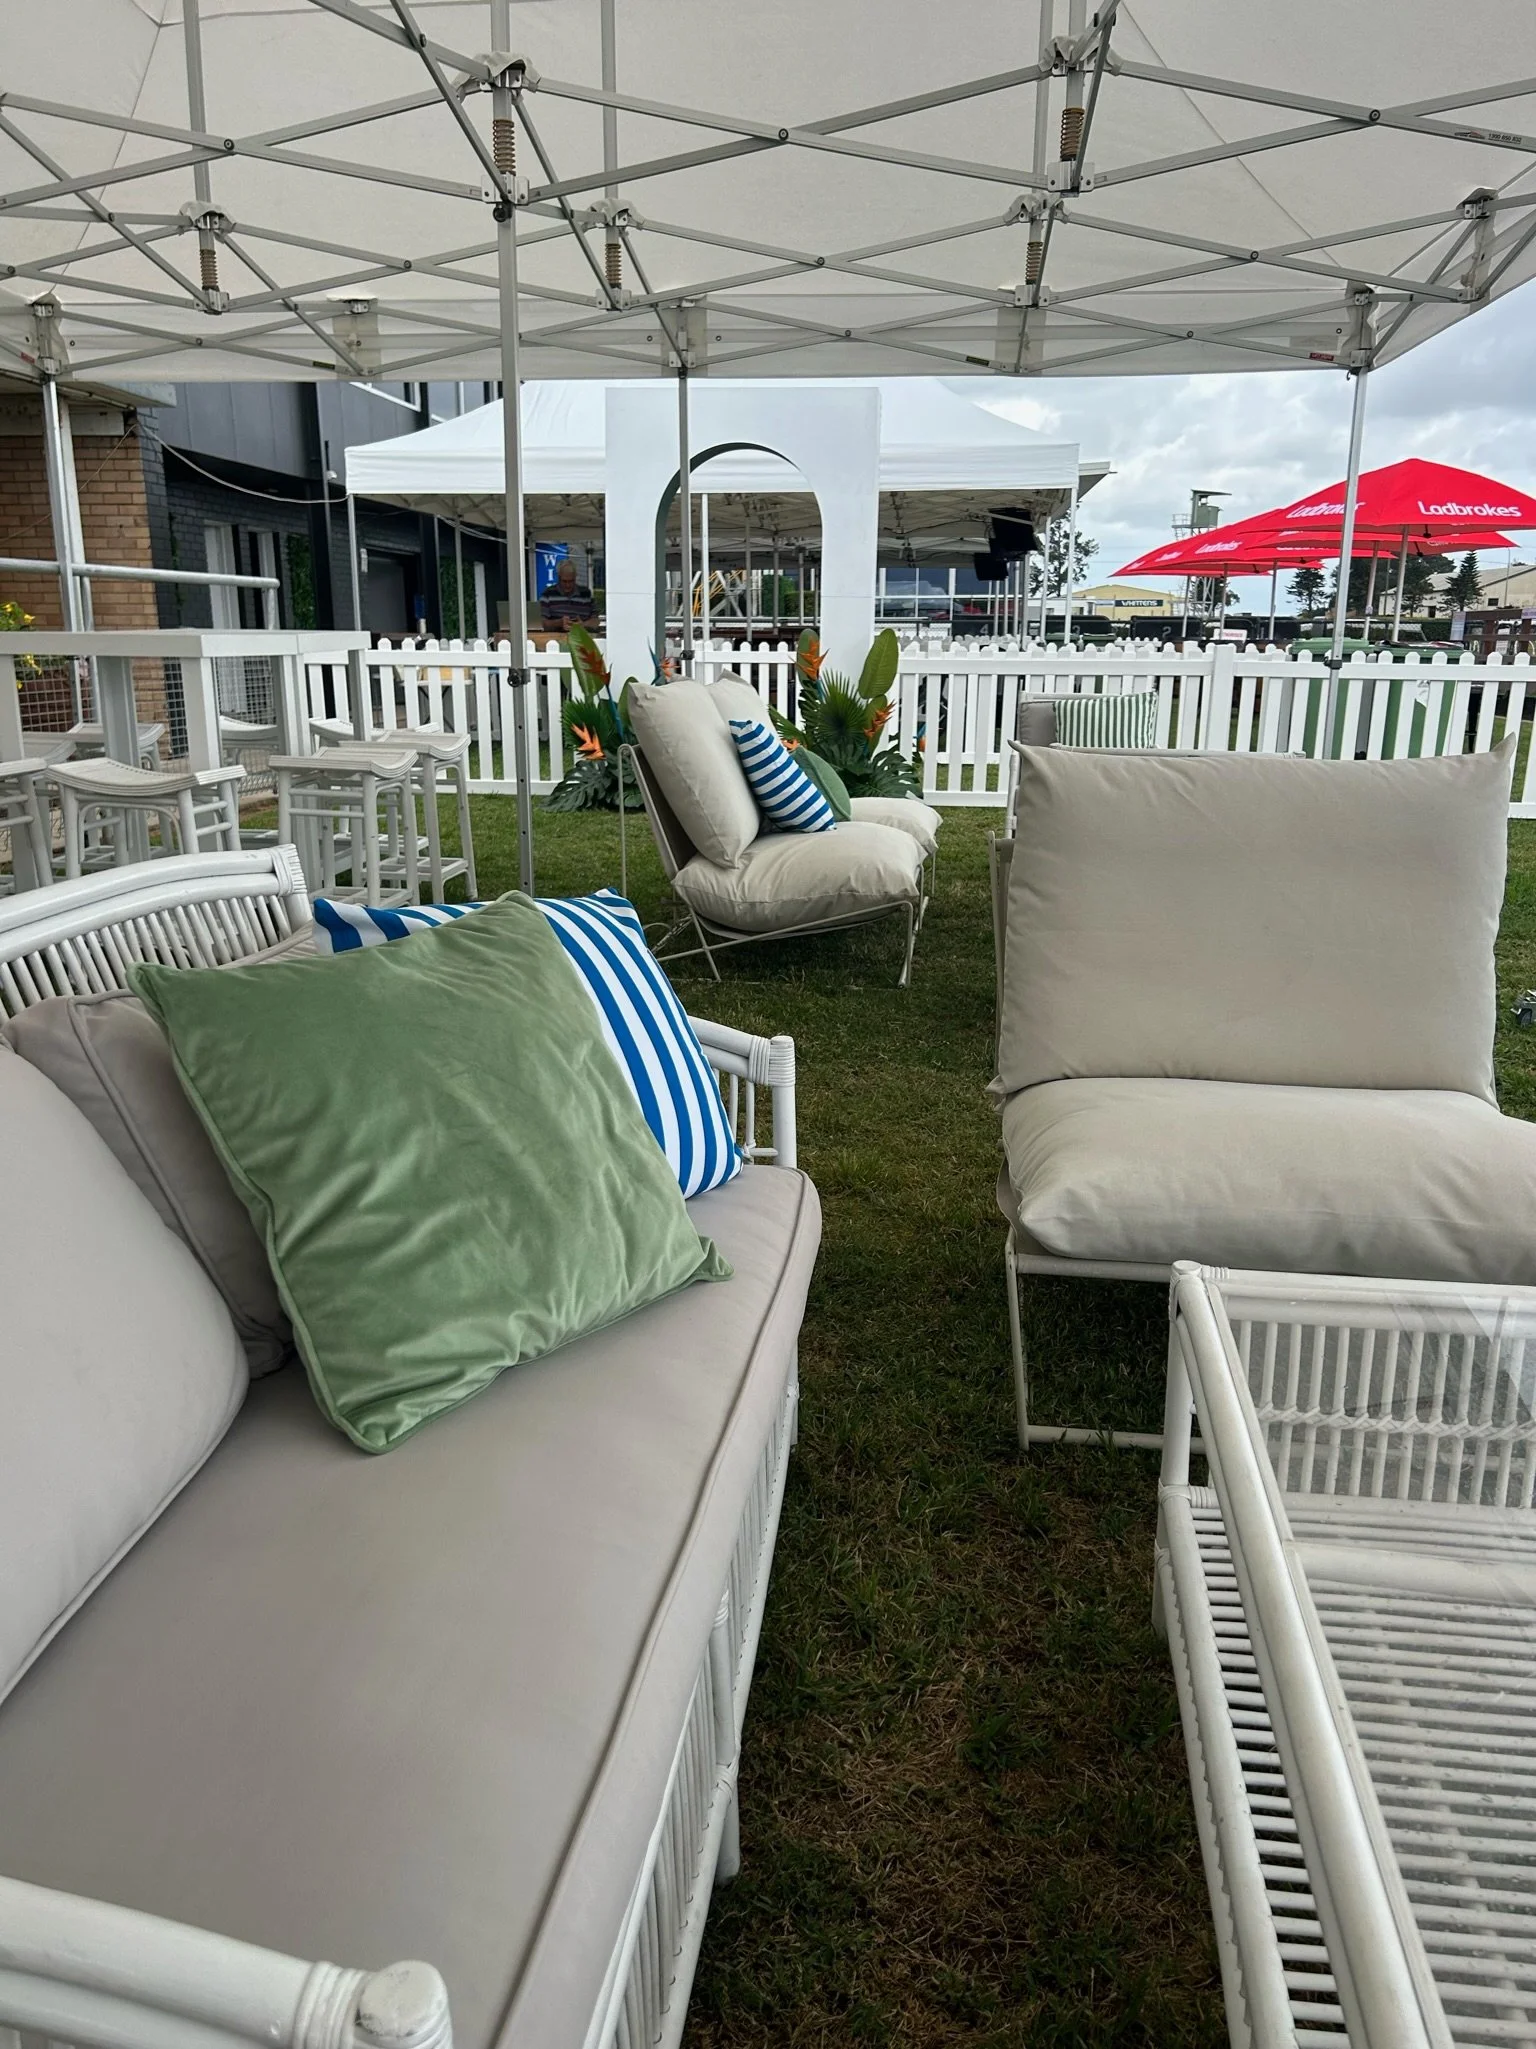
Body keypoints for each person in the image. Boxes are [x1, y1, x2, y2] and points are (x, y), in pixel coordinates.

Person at [541, 555, 596, 627]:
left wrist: (582, 625)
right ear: (558, 577)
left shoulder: (586, 594)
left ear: (575, 577)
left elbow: (596, 621)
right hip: (555, 637)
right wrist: (559, 623)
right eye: (564, 581)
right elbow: (541, 623)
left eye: (571, 581)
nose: (568, 585)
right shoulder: (548, 594)